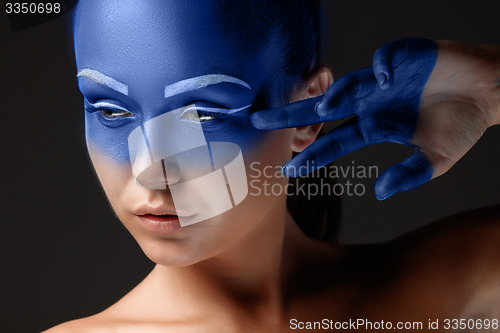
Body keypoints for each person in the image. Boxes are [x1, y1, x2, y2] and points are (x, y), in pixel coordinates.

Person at [46, 0, 500, 332]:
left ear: (308, 108)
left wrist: (493, 88)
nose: (150, 169)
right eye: (110, 110)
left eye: (203, 115)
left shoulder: (456, 281)